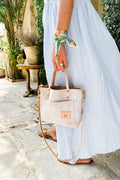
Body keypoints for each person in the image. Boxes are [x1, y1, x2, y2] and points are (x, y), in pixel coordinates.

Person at [38, 0, 120, 164]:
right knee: (83, 79)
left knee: (69, 85)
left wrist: (60, 37)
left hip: (67, 19)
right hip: (69, 15)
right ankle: (62, 132)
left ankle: (78, 151)